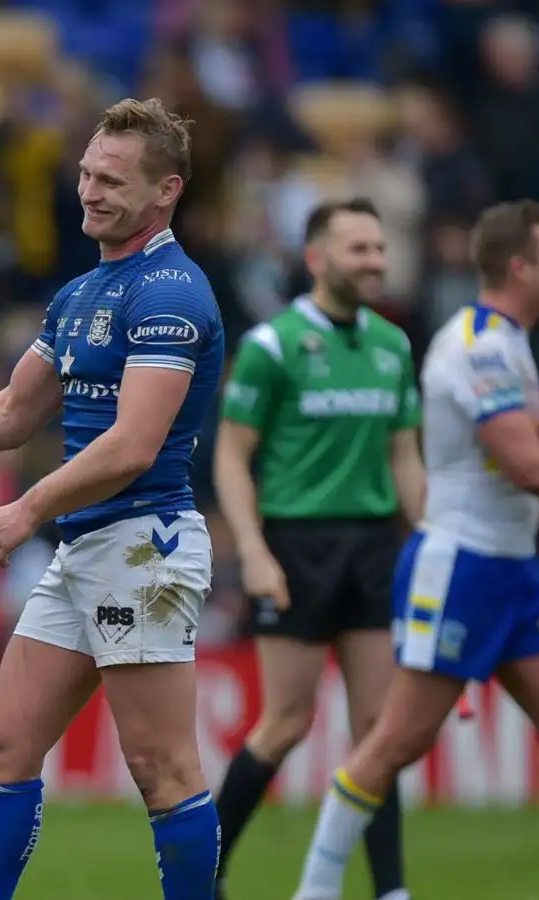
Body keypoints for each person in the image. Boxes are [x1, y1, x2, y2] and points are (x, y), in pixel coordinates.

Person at [0, 97, 227, 900]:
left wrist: (30, 506)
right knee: (3, 743)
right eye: (86, 174)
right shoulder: (82, 292)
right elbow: (10, 412)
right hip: (87, 547)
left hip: (145, 546)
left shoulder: (172, 292)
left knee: (161, 766)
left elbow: (134, 444)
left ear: (166, 191)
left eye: (112, 180)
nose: (90, 192)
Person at [289, 200, 539, 900]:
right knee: (397, 742)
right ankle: (316, 890)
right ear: (521, 267)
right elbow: (523, 462)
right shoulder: (477, 345)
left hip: (513, 569)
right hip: (461, 566)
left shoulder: (511, 341)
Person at [209, 199, 422, 900]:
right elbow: (231, 456)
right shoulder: (273, 346)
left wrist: (429, 540)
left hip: (372, 546)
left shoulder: (393, 345)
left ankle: (390, 890)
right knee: (286, 722)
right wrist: (253, 551)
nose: (375, 262)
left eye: (379, 248)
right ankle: (202, 870)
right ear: (316, 258)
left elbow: (404, 457)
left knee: (379, 731)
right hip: (298, 546)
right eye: (359, 249)